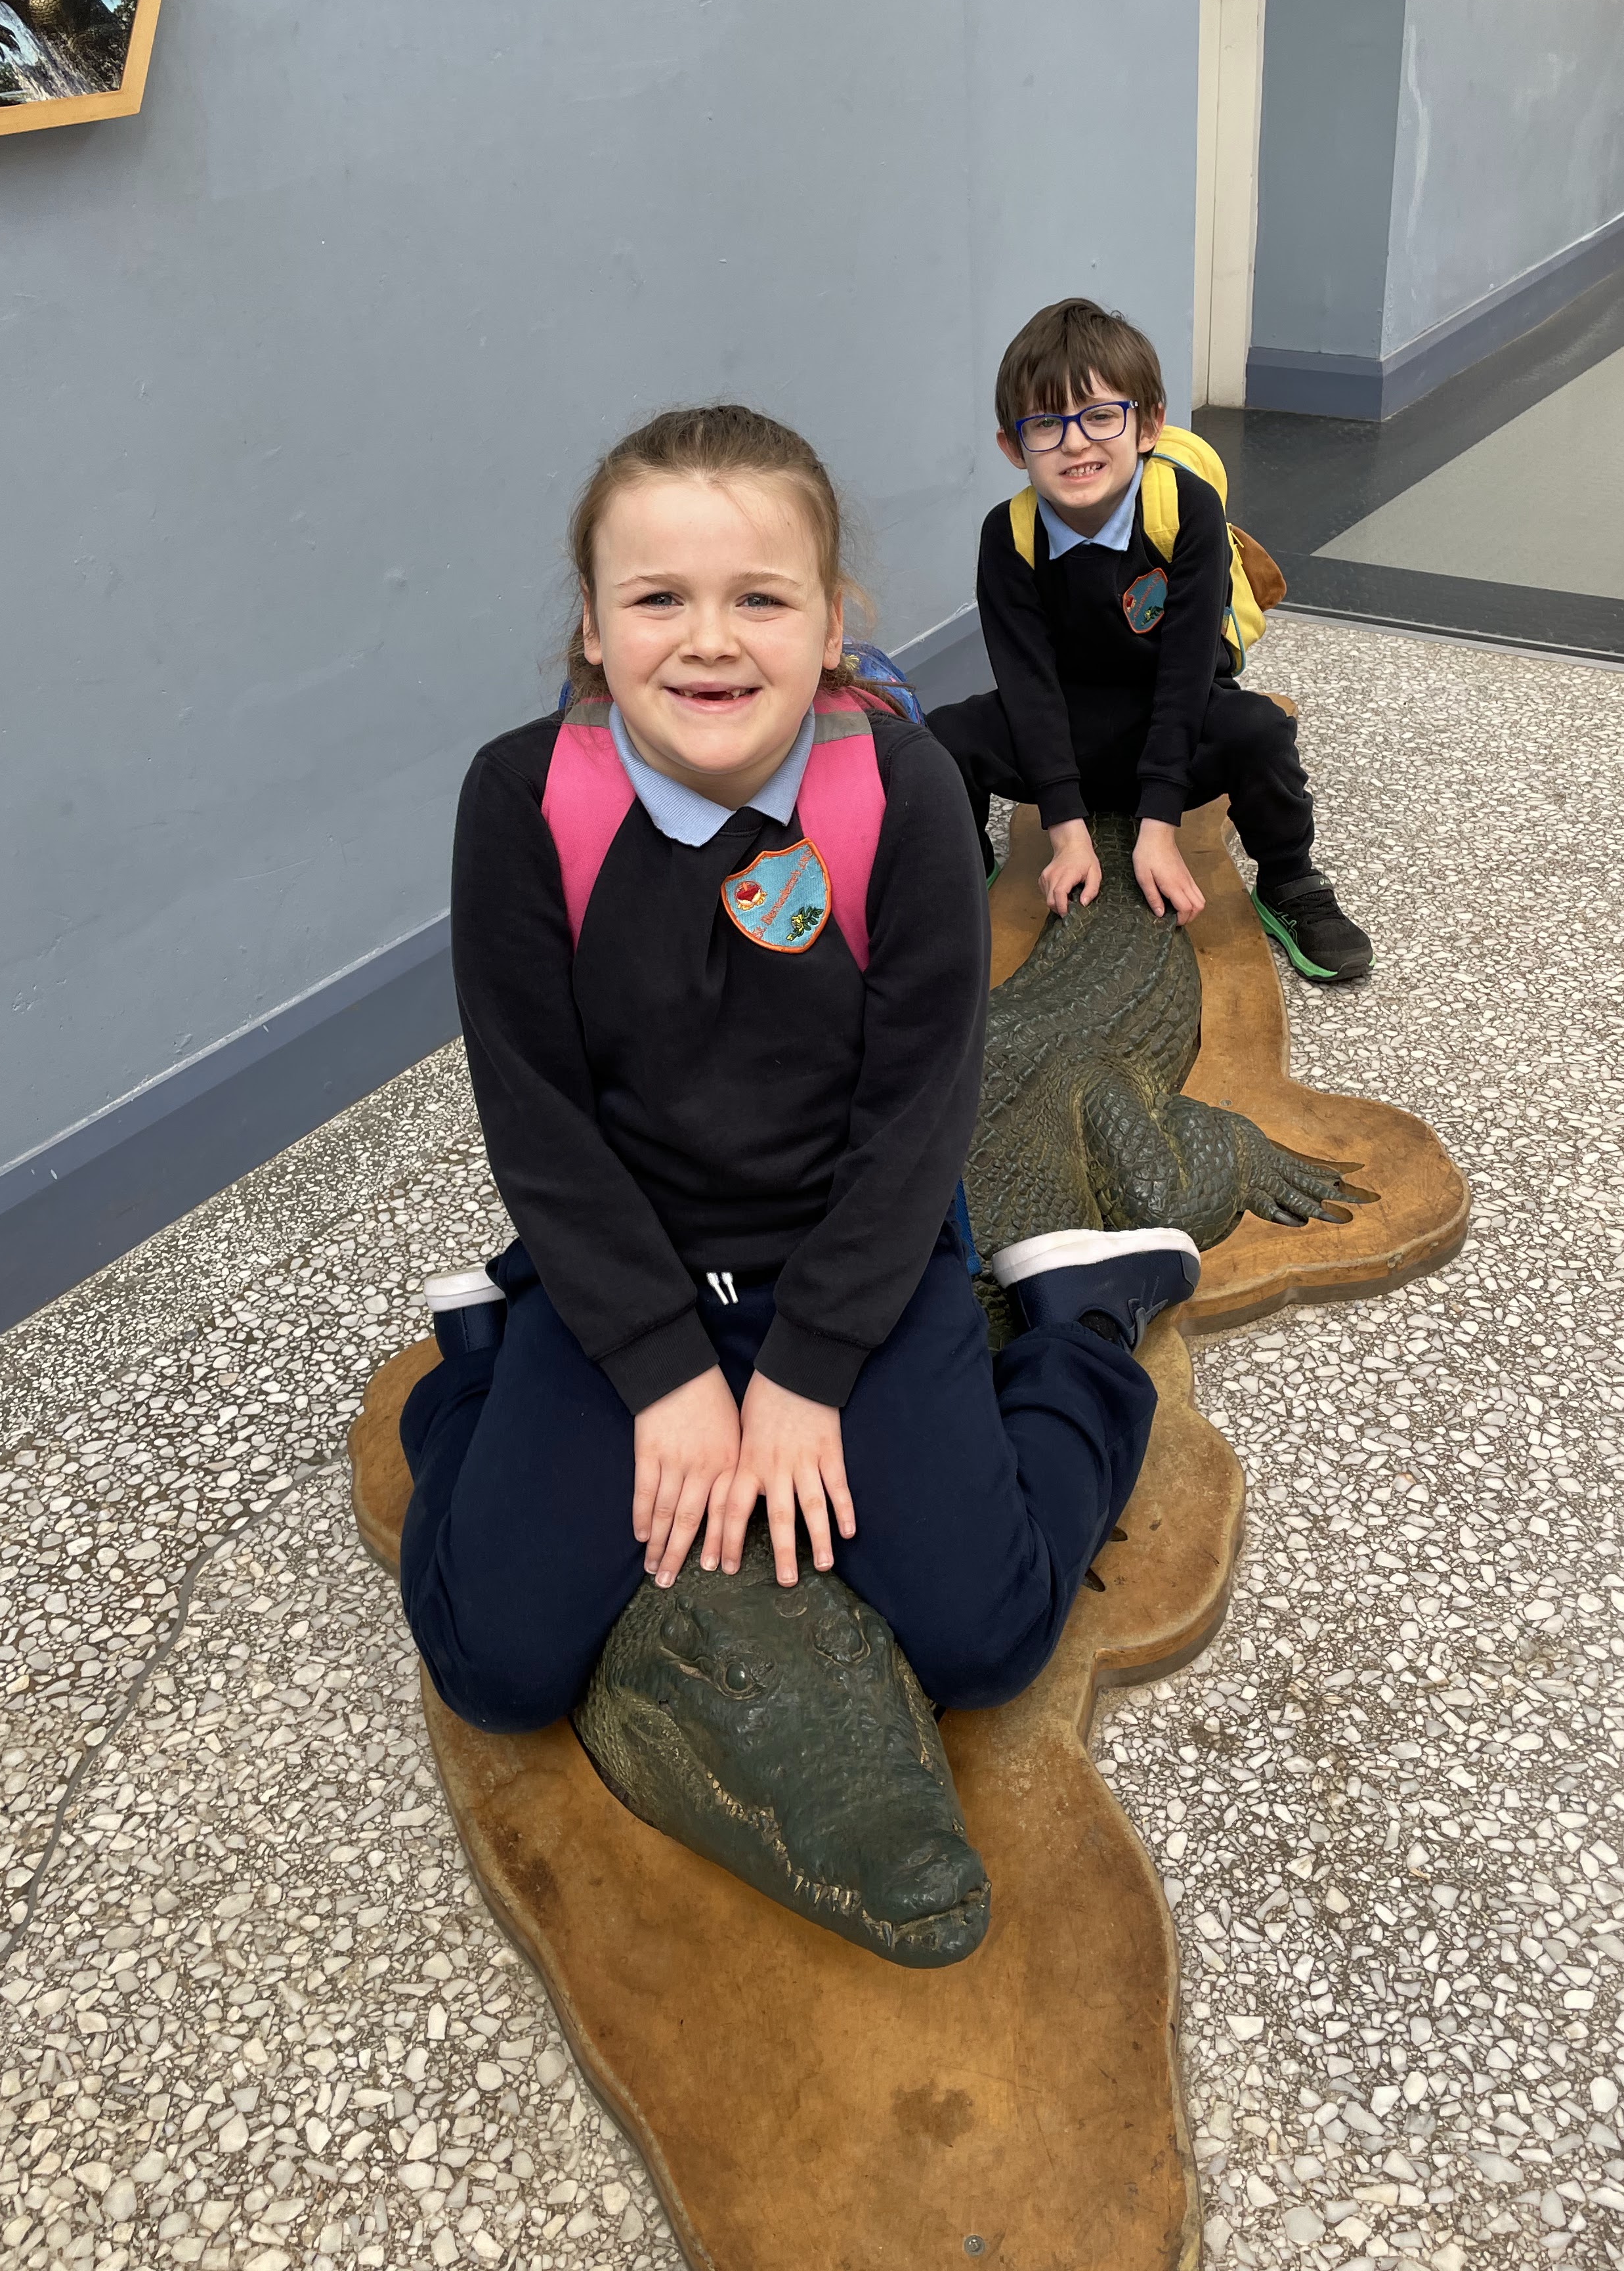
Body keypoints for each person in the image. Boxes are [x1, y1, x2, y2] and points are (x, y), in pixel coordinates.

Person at [397, 402, 1203, 1735]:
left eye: (760, 598)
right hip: (622, 1261)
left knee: (983, 1637)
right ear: (592, 626)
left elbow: (916, 1116)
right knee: (495, 1665)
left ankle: (1082, 1329)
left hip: (856, 1259)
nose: (709, 639)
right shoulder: (521, 800)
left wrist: (809, 1366)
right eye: (658, 597)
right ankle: (477, 1368)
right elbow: (538, 1122)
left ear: (832, 625)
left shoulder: (903, 793)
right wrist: (661, 1368)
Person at [926, 299, 1373, 983]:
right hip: (1067, 724)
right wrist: (1066, 829)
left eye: (1101, 416)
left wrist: (1159, 825)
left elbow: (1189, 675)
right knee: (942, 740)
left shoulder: (1186, 508)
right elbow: (1028, 686)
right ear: (1013, 448)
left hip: (1172, 722)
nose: (1076, 443)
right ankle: (962, 867)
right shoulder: (1007, 535)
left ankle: (1290, 880)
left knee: (1259, 731)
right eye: (1045, 424)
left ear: (1149, 425)